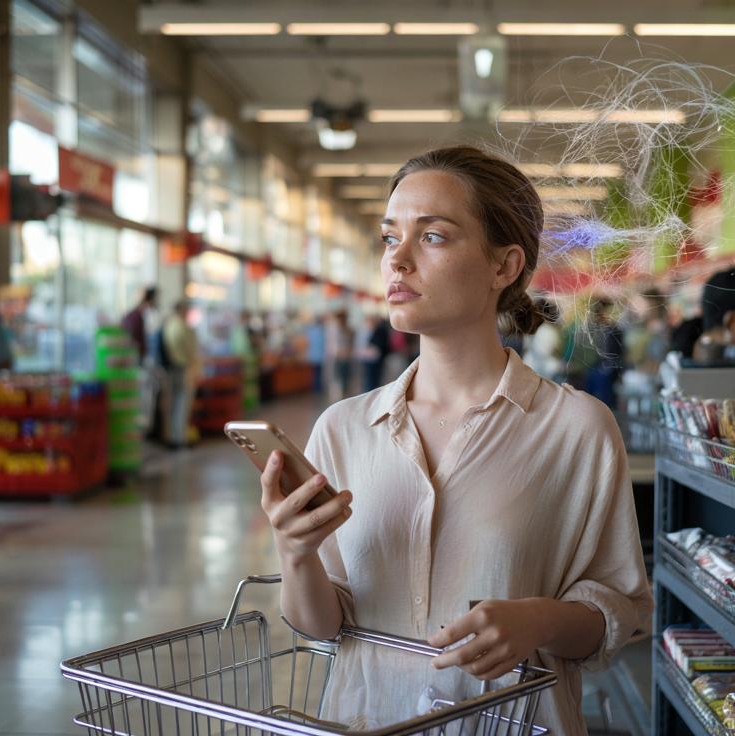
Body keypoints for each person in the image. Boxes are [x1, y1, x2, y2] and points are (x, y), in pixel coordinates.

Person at [258, 146, 652, 736]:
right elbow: (322, 625)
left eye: (433, 237)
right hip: (368, 719)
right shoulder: (343, 428)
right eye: (390, 238)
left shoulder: (576, 429)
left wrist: (540, 621)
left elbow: (618, 614)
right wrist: (295, 553)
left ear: (504, 266)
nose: (398, 260)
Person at [161, 300, 203, 447]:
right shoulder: (184, 328)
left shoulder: (169, 326)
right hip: (184, 369)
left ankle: (171, 436)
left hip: (171, 369)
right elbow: (192, 352)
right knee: (183, 405)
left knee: (172, 405)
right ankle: (180, 437)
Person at [522, 297, 563, 382]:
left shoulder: (532, 329)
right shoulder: (547, 331)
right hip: (542, 373)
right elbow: (543, 355)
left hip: (529, 367)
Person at [360, 315, 392, 393]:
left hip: (378, 360)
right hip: (367, 360)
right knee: (368, 380)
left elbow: (383, 346)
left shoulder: (381, 331)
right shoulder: (365, 332)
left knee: (375, 379)